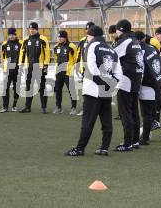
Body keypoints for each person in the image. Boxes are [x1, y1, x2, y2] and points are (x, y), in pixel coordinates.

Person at [64, 26, 122, 157]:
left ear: (92, 36)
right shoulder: (111, 49)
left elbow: (91, 68)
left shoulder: (91, 46)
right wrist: (110, 83)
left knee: (88, 121)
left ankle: (80, 148)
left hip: (92, 90)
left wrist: (101, 82)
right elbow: (119, 72)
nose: (86, 38)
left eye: (87, 36)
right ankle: (104, 148)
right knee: (107, 121)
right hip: (107, 90)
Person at [112, 19, 144, 151]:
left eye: (117, 30)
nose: (116, 32)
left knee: (125, 112)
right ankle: (135, 140)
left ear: (121, 29)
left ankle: (127, 143)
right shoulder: (135, 40)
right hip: (137, 78)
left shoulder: (124, 41)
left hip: (126, 79)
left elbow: (111, 55)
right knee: (134, 111)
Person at [135, 31, 161, 145]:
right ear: (144, 38)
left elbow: (140, 68)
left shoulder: (137, 50)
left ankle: (144, 137)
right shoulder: (152, 49)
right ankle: (147, 133)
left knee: (144, 113)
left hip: (144, 84)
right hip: (155, 83)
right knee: (149, 113)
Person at [19, 22, 50, 114]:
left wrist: (46, 65)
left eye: (33, 29)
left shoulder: (43, 39)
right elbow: (22, 52)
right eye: (30, 29)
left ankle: (44, 107)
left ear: (37, 29)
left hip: (40, 67)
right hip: (29, 67)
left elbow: (47, 52)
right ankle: (27, 107)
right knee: (29, 87)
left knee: (42, 87)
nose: (31, 30)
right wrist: (20, 64)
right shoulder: (26, 39)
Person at [53, 30, 78, 115]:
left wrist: (71, 67)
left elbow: (75, 59)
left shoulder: (71, 46)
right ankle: (58, 107)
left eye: (61, 37)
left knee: (71, 90)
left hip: (68, 72)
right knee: (58, 89)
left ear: (65, 38)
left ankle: (73, 108)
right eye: (58, 37)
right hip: (59, 72)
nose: (59, 39)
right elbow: (56, 59)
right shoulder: (56, 47)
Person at [0, 28, 22, 113]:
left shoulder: (20, 43)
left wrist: (21, 66)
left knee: (16, 88)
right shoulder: (5, 44)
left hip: (17, 70)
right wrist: (3, 66)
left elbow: (23, 55)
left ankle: (14, 105)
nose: (11, 36)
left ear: (16, 35)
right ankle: (5, 106)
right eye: (10, 35)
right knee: (5, 88)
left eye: (13, 35)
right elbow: (2, 57)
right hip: (7, 70)